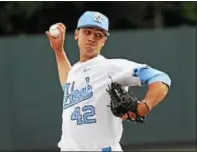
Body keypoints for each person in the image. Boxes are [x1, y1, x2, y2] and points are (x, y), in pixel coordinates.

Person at [46, 11, 171, 151]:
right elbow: (68, 84)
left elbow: (160, 78)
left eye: (98, 35)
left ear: (104, 41)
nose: (92, 38)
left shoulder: (111, 68)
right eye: (87, 32)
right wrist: (58, 51)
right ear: (76, 34)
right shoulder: (75, 71)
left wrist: (145, 106)